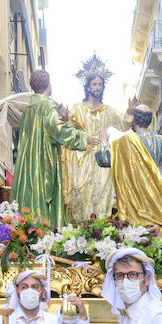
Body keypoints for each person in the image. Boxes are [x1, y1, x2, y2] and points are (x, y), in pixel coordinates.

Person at [8, 69, 91, 229]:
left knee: (30, 199)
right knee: (44, 206)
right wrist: (84, 138)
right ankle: (44, 236)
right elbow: (58, 131)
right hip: (43, 163)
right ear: (49, 86)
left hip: (28, 166)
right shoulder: (48, 105)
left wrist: (63, 119)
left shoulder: (28, 109)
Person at [99, 106, 162, 232]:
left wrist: (103, 142)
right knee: (161, 224)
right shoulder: (160, 141)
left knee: (136, 226)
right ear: (150, 121)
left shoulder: (122, 142)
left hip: (133, 187)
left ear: (134, 120)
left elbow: (104, 159)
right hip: (157, 185)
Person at [64, 56, 133, 222]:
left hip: (102, 158)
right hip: (81, 158)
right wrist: (66, 120)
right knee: (80, 193)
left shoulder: (107, 111)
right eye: (94, 84)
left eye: (100, 84)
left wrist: (130, 111)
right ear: (88, 87)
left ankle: (99, 230)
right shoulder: (77, 109)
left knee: (102, 192)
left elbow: (124, 124)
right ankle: (80, 231)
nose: (97, 87)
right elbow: (66, 130)